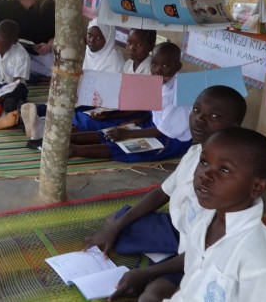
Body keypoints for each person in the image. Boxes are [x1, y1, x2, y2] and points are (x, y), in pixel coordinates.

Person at [97, 86, 247, 301]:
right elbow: (162, 193)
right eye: (196, 110)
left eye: (214, 116)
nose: (199, 120)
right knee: (116, 222)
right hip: (179, 230)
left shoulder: (231, 177)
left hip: (206, 250)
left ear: (234, 126)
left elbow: (206, 248)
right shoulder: (196, 152)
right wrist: (117, 227)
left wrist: (146, 273)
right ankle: (166, 261)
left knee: (153, 294)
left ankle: (165, 268)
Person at [163, 127, 266, 302]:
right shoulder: (203, 220)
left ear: (257, 187)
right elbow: (191, 280)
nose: (205, 175)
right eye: (204, 162)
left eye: (225, 170)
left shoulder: (256, 257)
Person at [69, 42, 191, 162]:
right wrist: (138, 123)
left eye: (165, 66)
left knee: (125, 148)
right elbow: (154, 111)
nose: (158, 70)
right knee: (109, 133)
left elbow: (163, 130)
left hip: (172, 141)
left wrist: (128, 134)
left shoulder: (179, 95)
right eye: (154, 64)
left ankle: (74, 150)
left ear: (177, 67)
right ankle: (65, 140)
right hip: (153, 126)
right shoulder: (159, 83)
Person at [20, 17, 125, 141]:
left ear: (108, 39)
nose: (92, 40)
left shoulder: (115, 62)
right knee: (56, 104)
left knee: (70, 113)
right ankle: (34, 120)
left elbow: (114, 96)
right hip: (84, 99)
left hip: (101, 106)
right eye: (90, 35)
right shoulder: (90, 54)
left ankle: (41, 126)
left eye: (98, 37)